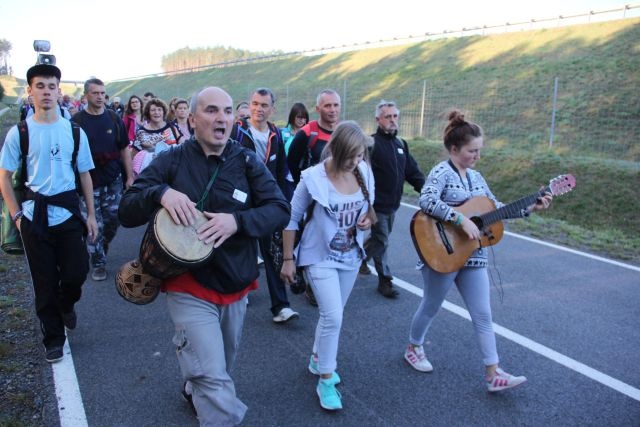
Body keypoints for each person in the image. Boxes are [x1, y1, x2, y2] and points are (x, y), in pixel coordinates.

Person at [118, 86, 290, 425]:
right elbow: (127, 210)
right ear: (192, 119)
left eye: (227, 111)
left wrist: (237, 222)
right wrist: (161, 192)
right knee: (212, 376)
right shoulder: (172, 159)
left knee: (221, 363)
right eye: (211, 110)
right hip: (188, 285)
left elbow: (279, 209)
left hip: (235, 284)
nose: (221, 118)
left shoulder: (246, 160)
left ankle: (191, 385)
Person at [403, 110, 553, 392]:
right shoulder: (441, 172)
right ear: (454, 148)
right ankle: (414, 346)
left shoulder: (477, 177)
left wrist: (531, 207)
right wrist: (459, 219)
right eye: (473, 151)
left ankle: (493, 373)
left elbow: (496, 210)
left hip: (474, 255)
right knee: (431, 305)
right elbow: (426, 200)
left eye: (479, 150)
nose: (477, 156)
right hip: (442, 251)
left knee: (483, 313)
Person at [0, 64, 98, 363]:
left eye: (51, 86)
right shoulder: (21, 132)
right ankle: (53, 338)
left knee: (76, 272)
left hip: (68, 213)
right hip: (33, 215)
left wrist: (91, 215)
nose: (46, 91)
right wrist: (17, 215)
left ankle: (67, 303)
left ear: (59, 91)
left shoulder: (74, 131)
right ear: (30, 92)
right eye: (40, 86)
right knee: (43, 281)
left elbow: (85, 175)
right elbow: (4, 177)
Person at [280, 121, 375, 411]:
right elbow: (291, 218)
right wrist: (287, 259)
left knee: (332, 314)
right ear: (335, 149)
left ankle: (317, 358)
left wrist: (368, 219)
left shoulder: (363, 171)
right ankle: (326, 379)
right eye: (351, 156)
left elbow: (371, 208)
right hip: (319, 255)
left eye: (360, 156)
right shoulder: (312, 177)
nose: (355, 162)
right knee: (334, 316)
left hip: (350, 256)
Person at [231, 87, 298, 323]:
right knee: (243, 249)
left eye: (264, 105)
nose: (259, 109)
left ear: (273, 109)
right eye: (255, 104)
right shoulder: (237, 130)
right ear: (250, 105)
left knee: (272, 252)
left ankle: (281, 306)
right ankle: (242, 291)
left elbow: (282, 170)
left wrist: (284, 199)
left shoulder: (276, 134)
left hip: (267, 203)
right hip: (242, 202)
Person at [360, 100, 425, 298]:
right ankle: (384, 280)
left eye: (395, 116)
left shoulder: (400, 144)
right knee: (382, 240)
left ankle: (360, 257)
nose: (392, 120)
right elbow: (360, 173)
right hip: (376, 205)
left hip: (393, 205)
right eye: (387, 116)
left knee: (381, 239)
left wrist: (427, 190)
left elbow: (412, 172)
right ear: (378, 119)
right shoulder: (371, 144)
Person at [71, 78, 133, 282]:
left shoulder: (114, 119)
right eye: (95, 93)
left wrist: (129, 176)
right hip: (88, 182)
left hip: (113, 180)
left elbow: (124, 148)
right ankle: (98, 262)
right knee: (93, 224)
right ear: (86, 95)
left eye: (103, 93)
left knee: (113, 221)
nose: (100, 97)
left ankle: (99, 246)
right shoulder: (77, 122)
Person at [130, 98, 184, 175]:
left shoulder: (172, 127)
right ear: (148, 113)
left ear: (164, 112)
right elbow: (133, 156)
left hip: (173, 172)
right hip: (151, 174)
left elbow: (182, 145)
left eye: (159, 110)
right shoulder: (141, 132)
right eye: (153, 110)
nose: (156, 112)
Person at [280, 102, 309, 200]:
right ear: (292, 116)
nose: (302, 120)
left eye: (304, 117)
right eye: (299, 117)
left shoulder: (308, 135)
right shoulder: (282, 133)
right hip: (286, 176)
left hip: (303, 176)